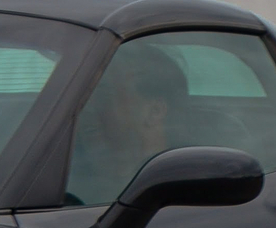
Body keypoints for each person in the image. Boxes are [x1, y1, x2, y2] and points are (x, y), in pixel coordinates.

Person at [65, 40, 188, 205]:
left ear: (155, 111)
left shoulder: (180, 194)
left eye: (103, 95)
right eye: (86, 95)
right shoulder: (63, 181)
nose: (85, 107)